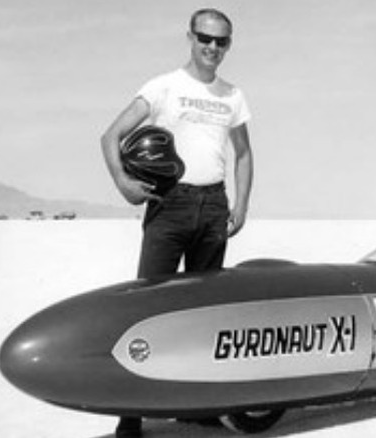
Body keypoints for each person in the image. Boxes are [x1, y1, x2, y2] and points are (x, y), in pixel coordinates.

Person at [100, 8, 252, 438]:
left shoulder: (233, 95)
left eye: (221, 41)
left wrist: (241, 204)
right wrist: (124, 184)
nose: (212, 48)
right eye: (205, 38)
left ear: (229, 45)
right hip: (171, 205)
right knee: (144, 308)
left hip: (214, 206)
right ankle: (130, 415)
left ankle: (197, 408)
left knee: (202, 313)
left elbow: (243, 153)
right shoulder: (163, 85)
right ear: (190, 36)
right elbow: (109, 136)